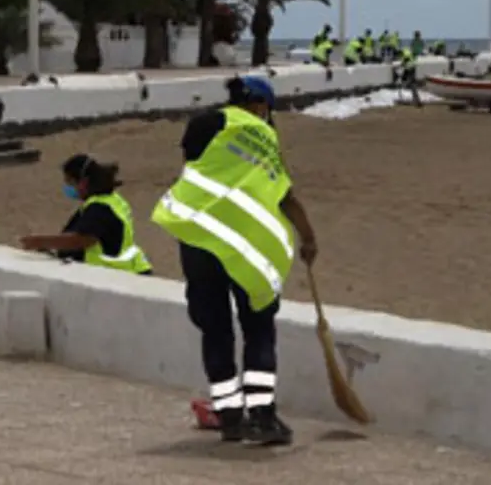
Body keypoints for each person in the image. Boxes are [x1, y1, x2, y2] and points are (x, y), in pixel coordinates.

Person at [151, 75, 319, 446]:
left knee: (215, 330)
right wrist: (308, 238)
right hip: (246, 248)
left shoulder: (202, 124)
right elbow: (284, 195)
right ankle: (262, 416)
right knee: (258, 327)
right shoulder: (262, 135)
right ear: (260, 105)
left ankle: (229, 417)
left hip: (199, 240)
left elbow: (194, 170)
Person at [17, 154, 153, 274]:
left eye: (70, 183)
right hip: (127, 269)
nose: (68, 188)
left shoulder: (99, 207)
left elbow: (81, 239)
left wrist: (40, 241)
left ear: (83, 182)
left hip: (116, 273)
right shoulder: (112, 200)